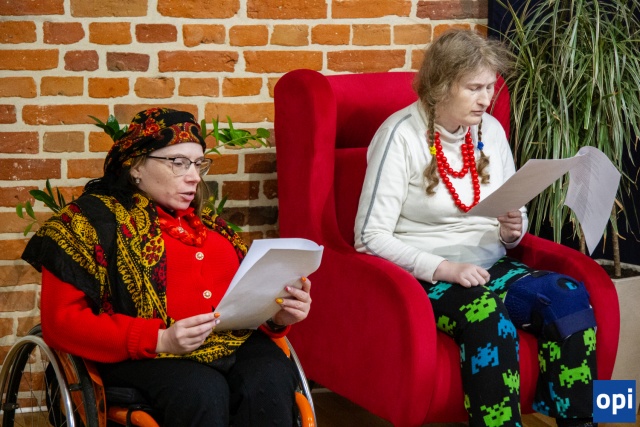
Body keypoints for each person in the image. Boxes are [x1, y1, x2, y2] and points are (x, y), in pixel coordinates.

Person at [354, 30, 597, 427]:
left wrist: (512, 230)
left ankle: (581, 421)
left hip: (490, 264)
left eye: (489, 87)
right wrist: (445, 268)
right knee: (485, 314)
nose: (486, 99)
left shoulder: (490, 130)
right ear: (441, 85)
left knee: (567, 296)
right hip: (426, 273)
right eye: (474, 88)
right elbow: (368, 237)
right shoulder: (400, 135)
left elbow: (512, 213)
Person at [22, 107, 312, 426]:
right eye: (178, 162)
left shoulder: (212, 227)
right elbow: (61, 323)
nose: (194, 176)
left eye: (198, 164)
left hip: (228, 343)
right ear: (135, 166)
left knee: (270, 374)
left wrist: (276, 315)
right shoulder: (84, 224)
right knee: (202, 391)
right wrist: (160, 339)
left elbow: (242, 304)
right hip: (143, 356)